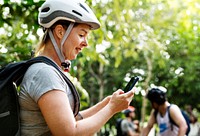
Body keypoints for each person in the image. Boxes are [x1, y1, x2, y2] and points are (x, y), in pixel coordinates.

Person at [18, 0, 135, 135]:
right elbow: (69, 132)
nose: (85, 43)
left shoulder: (49, 70)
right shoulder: (44, 74)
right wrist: (112, 108)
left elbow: (73, 120)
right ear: (60, 32)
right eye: (81, 35)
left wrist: (106, 104)